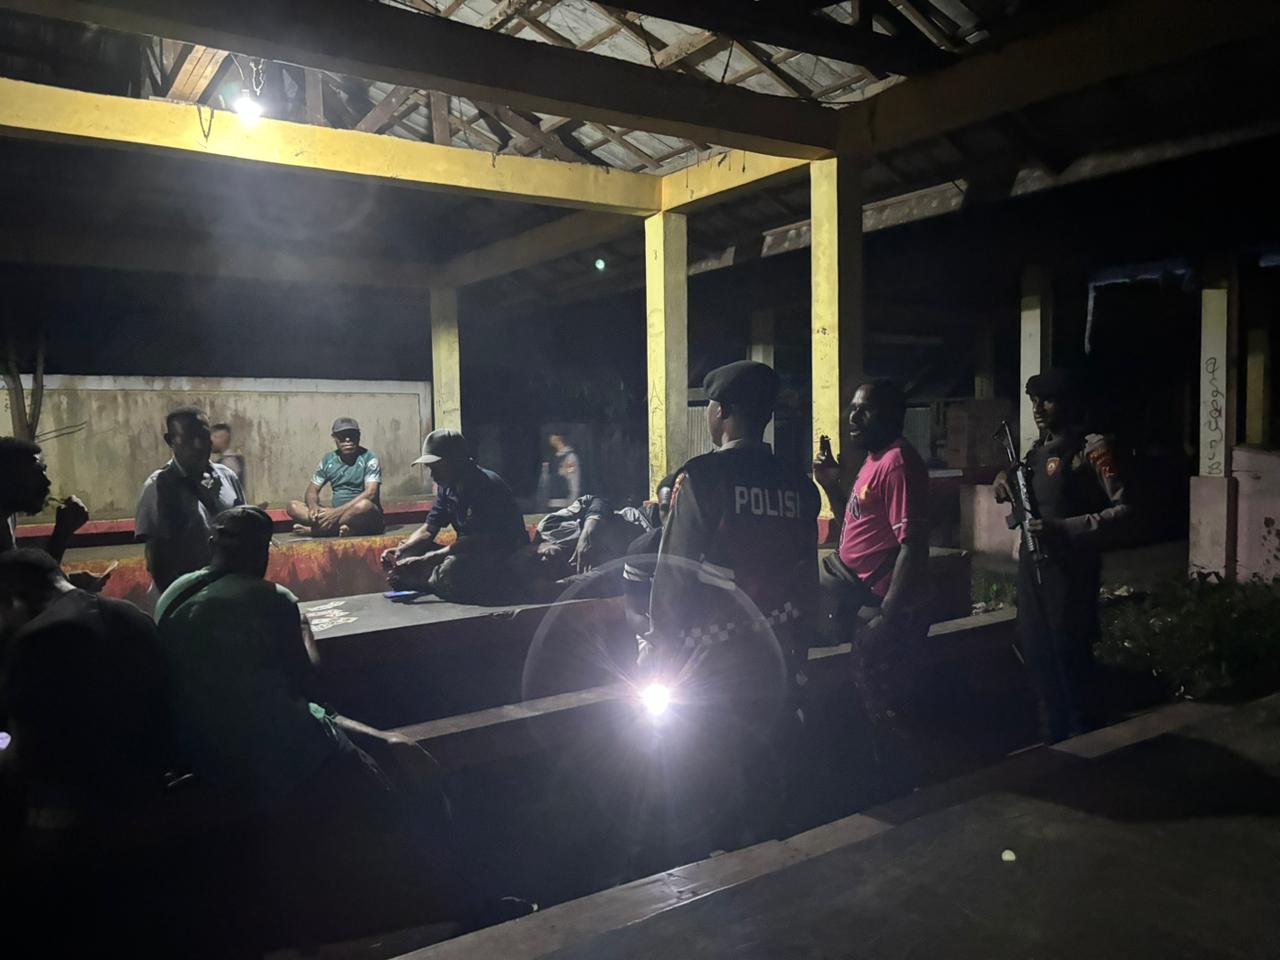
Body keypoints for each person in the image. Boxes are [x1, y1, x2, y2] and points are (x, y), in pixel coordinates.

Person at [153, 506, 463, 943]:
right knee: (383, 780)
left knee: (380, 744)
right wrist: (302, 626)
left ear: (211, 544)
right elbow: (311, 681)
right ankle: (424, 900)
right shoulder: (273, 599)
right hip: (280, 753)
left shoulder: (173, 592)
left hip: (201, 753)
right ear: (264, 551)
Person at [645, 360, 820, 852]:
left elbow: (673, 573)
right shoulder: (797, 483)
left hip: (710, 663)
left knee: (709, 776)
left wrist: (659, 648)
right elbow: (807, 574)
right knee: (766, 769)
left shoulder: (702, 478)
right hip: (777, 655)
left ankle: (722, 869)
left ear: (719, 412)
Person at [0, 549, 169, 861]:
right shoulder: (135, 616)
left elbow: (26, 757)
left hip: (75, 818)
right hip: (148, 792)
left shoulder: (37, 640)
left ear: (12, 597)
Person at [993, 368, 1132, 743]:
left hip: (1071, 570)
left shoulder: (1092, 449)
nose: (1038, 408)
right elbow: (1022, 491)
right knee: (1036, 649)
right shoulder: (1035, 452)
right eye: (1034, 400)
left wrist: (1064, 528)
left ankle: (1085, 737)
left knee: (1070, 652)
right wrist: (1002, 480)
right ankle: (1052, 737)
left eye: (1048, 400)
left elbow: (1124, 511)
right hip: (1033, 569)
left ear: (1069, 403)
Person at [813, 379, 931, 755]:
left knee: (887, 711)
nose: (853, 417)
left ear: (892, 416)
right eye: (853, 409)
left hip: (883, 610)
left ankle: (906, 780)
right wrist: (831, 486)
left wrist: (887, 616)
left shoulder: (897, 463)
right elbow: (858, 522)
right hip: (864, 603)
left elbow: (913, 544)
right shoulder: (874, 460)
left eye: (865, 410)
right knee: (869, 703)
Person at [381, 430, 529, 605]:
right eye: (430, 468)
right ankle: (429, 581)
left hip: (501, 556)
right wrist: (402, 550)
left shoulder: (486, 485)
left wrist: (427, 560)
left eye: (436, 467)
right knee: (412, 553)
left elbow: (480, 541)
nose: (432, 475)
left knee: (451, 570)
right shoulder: (447, 487)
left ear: (456, 461)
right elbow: (428, 529)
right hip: (464, 553)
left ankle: (426, 583)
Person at [135, 406, 246, 593]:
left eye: (203, 436)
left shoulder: (227, 477)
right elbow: (157, 562)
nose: (198, 444)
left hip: (227, 593)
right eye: (188, 437)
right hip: (185, 598)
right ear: (170, 441)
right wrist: (182, 601)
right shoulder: (158, 487)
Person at [287, 417, 384, 538]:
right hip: (338, 515)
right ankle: (343, 529)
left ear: (358, 436)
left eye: (352, 435)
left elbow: (371, 493)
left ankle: (319, 531)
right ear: (334, 438)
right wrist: (313, 507)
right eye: (342, 436)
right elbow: (312, 490)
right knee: (293, 506)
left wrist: (336, 513)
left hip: (363, 516)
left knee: (364, 506)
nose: (347, 439)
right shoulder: (328, 460)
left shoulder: (369, 458)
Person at [0, 436, 91, 562]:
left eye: (43, 472)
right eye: (35, 474)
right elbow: (38, 575)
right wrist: (61, 534)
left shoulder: (8, 514)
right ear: (10, 481)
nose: (47, 482)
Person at [544, 433, 581, 508]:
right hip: (552, 501)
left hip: (564, 501)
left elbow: (573, 480)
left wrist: (572, 502)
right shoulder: (554, 457)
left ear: (559, 439)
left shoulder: (570, 457)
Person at [209, 422, 246, 488]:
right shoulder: (232, 460)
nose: (211, 442)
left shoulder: (228, 462)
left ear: (221, 438)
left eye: (215, 437)